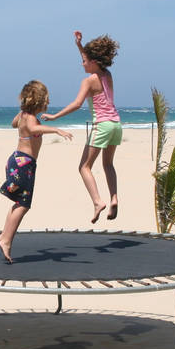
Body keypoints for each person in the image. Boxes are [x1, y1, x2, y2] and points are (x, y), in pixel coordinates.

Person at [41, 31, 121, 223]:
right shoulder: (107, 75)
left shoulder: (88, 81)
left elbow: (77, 104)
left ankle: (97, 202)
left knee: (84, 166)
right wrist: (79, 45)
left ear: (93, 61)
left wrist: (55, 116)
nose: (82, 64)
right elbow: (91, 59)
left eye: (84, 61)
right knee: (108, 164)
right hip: (116, 124)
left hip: (102, 125)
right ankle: (114, 198)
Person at [0, 80, 73, 263]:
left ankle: (4, 235)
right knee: (24, 204)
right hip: (24, 164)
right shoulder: (30, 118)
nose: (49, 102)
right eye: (46, 99)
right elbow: (32, 128)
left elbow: (14, 124)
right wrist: (56, 130)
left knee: (19, 202)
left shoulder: (24, 114)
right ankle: (6, 240)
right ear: (39, 101)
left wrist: (22, 112)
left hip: (17, 161)